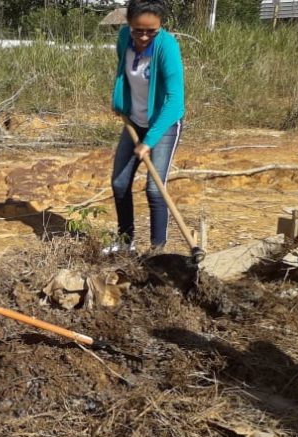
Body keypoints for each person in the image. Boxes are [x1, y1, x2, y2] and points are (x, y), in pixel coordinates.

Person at [107, 0, 185, 254]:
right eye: (137, 30)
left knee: (154, 189)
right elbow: (122, 72)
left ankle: (156, 251)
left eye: (151, 31)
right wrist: (120, 101)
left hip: (163, 125)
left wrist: (149, 141)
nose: (143, 37)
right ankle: (125, 243)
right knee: (120, 184)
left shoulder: (167, 47)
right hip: (134, 121)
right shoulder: (124, 38)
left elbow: (175, 101)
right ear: (128, 24)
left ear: (160, 26)